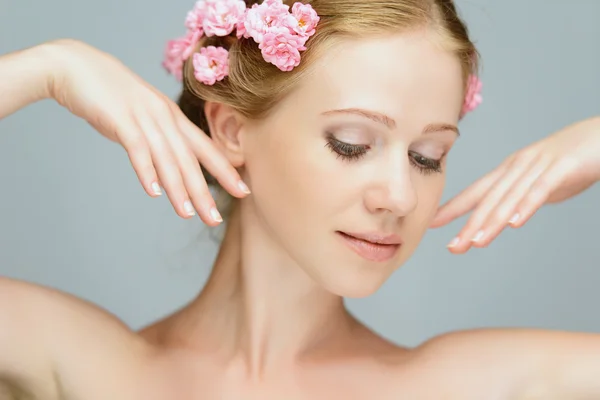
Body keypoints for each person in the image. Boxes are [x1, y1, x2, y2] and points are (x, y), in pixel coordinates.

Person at [0, 0, 599, 399]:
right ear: (233, 130)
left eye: (428, 157)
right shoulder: (87, 366)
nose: (399, 196)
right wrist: (49, 69)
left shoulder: (456, 385)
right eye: (351, 143)